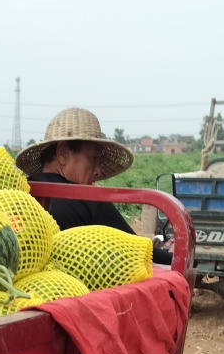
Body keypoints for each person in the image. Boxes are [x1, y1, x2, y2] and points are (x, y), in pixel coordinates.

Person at [15, 106, 171, 262]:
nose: (98, 171)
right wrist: (175, 257)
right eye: (93, 158)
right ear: (63, 154)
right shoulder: (87, 198)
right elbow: (141, 253)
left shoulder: (19, 194)